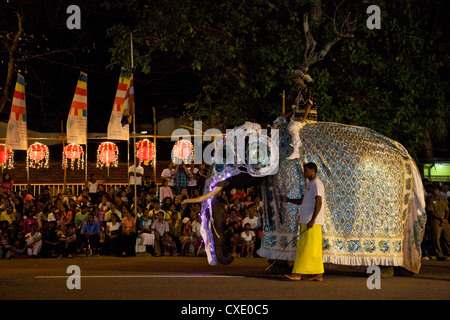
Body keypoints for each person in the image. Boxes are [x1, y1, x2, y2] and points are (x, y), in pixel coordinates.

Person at [282, 162, 325, 281]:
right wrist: (288, 200)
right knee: (312, 248)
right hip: (308, 221)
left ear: (312, 170)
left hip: (311, 222)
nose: (304, 173)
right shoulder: (310, 184)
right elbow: (304, 201)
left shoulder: (317, 183)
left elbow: (319, 201)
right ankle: (318, 274)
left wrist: (313, 220)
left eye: (306, 170)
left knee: (304, 247)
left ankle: (297, 273)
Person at [283, 69, 315, 160]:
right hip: (298, 116)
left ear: (302, 80)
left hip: (306, 118)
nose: (295, 80)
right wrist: (286, 115)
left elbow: (309, 104)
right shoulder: (300, 92)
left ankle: (296, 150)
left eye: (297, 78)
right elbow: (295, 108)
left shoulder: (307, 91)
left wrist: (304, 119)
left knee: (293, 127)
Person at [426, 185, 450, 260]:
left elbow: (448, 210)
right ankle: (439, 254)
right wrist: (441, 219)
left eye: (437, 190)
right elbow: (432, 212)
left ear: (439, 191)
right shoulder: (430, 200)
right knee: (436, 238)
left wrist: (445, 219)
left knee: (448, 237)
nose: (435, 191)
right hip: (436, 221)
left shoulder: (443, 200)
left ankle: (448, 252)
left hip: (445, 221)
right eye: (434, 190)